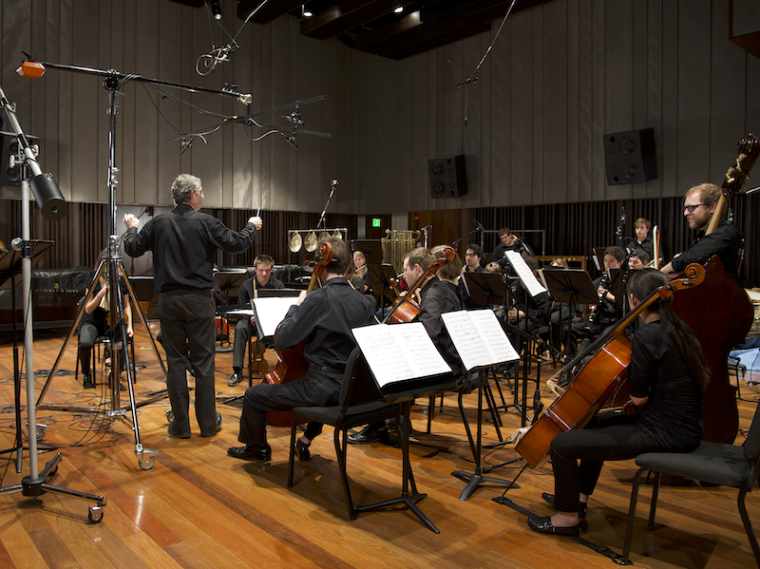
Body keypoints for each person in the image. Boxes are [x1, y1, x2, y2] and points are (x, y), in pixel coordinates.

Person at [528, 269, 709, 536]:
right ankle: (577, 500)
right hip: (681, 425)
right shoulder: (680, 328)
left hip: (664, 432)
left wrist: (636, 402)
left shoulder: (648, 335)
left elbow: (639, 397)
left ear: (634, 300)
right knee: (589, 423)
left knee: (561, 444)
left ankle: (566, 519)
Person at [122, 174, 261, 439]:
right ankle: (208, 424)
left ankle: (180, 425)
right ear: (192, 195)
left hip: (169, 302)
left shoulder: (157, 223)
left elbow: (132, 248)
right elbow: (237, 243)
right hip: (198, 302)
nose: (203, 195)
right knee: (204, 364)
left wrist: (132, 227)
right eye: (202, 191)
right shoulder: (206, 222)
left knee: (175, 363)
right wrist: (251, 226)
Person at [227, 237, 374, 462]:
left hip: (321, 389)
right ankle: (305, 439)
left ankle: (257, 447)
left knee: (253, 395)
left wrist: (295, 309)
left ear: (321, 267)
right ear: (347, 267)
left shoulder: (317, 299)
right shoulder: (364, 302)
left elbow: (284, 341)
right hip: (354, 390)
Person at [349, 246, 464, 444]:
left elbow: (427, 337)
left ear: (418, 269)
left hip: (445, 366)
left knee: (377, 367)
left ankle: (378, 425)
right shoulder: (443, 288)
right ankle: (395, 418)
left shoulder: (433, 295)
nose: (403, 275)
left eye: (405, 270)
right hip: (453, 359)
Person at [660, 183, 743, 281]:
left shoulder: (727, 233)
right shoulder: (702, 236)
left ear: (713, 207)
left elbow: (696, 255)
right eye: (686, 208)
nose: (685, 213)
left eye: (692, 207)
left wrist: (664, 269)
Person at [228, 255, 285, 387]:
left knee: (286, 328)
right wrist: (250, 318)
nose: (264, 274)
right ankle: (237, 370)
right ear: (255, 269)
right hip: (252, 323)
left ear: (272, 270)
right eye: (261, 270)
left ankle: (283, 370)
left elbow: (282, 310)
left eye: (267, 270)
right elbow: (241, 309)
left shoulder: (278, 285)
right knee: (240, 327)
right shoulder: (246, 286)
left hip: (271, 324)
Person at [78, 264, 133, 389]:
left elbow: (126, 305)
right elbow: (87, 308)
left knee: (122, 337)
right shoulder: (93, 279)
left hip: (111, 322)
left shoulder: (120, 281)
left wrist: (129, 325)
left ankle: (114, 376)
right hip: (93, 322)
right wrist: (100, 295)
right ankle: (87, 374)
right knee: (85, 343)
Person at [568, 246, 626, 354]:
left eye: (611, 261)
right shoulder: (599, 281)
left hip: (613, 322)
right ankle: (573, 363)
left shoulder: (623, 283)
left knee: (604, 337)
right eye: (605, 261)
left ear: (621, 263)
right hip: (597, 322)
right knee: (568, 330)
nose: (607, 264)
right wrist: (592, 303)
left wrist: (610, 297)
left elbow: (626, 306)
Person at [459, 243, 488, 310]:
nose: (468, 258)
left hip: (480, 310)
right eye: (467, 255)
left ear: (479, 257)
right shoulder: (462, 273)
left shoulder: (484, 275)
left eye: (471, 255)